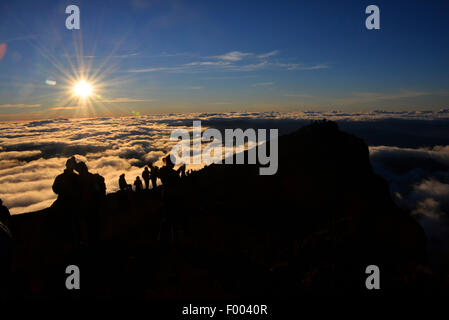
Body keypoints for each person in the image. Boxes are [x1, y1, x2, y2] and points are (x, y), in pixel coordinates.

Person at [75, 161, 105, 246]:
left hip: (87, 206)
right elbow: (97, 190)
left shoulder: (82, 179)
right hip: (93, 205)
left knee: (87, 225)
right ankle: (95, 241)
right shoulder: (92, 177)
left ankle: (89, 243)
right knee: (93, 225)